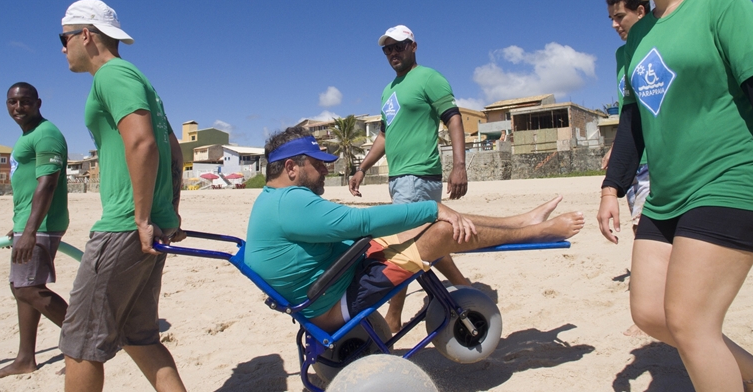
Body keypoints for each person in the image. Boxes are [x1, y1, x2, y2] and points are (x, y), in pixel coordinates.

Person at [597, 0, 753, 391]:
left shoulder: (721, 4)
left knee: (691, 322)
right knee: (652, 314)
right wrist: (613, 188)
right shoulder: (637, 41)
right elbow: (633, 123)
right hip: (668, 194)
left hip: (732, 180)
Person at [245, 127, 585, 332]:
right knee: (439, 231)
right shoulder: (289, 202)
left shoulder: (273, 199)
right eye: (317, 164)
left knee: (425, 225)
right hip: (331, 303)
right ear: (291, 167)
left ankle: (520, 221)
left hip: (335, 281)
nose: (324, 170)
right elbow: (358, 222)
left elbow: (343, 232)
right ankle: (534, 232)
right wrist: (434, 206)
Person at [57, 0, 187, 392]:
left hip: (124, 226)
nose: (62, 48)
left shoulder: (111, 75)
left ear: (86, 34)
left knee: (79, 343)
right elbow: (174, 153)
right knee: (138, 336)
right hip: (148, 226)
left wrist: (143, 217)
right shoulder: (141, 80)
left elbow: (144, 144)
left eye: (63, 38)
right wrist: (168, 215)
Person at [348, 25, 471, 332]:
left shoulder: (428, 77)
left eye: (399, 46)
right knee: (424, 241)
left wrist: (459, 165)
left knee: (403, 248)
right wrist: (362, 168)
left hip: (418, 175)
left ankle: (394, 315)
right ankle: (464, 289)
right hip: (400, 178)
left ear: (413, 46)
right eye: (387, 49)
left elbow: (453, 118)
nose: (393, 53)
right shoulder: (388, 90)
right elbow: (384, 135)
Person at [0, 82, 70, 381]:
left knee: (28, 289)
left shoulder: (46, 134)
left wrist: (31, 230)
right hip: (29, 223)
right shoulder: (29, 135)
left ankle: (83, 343)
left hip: (42, 225)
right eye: (12, 102)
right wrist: (21, 225)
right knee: (22, 290)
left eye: (25, 102)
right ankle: (25, 358)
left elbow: (48, 183)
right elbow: (29, 184)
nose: (18, 108)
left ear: (38, 103)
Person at [601, 0, 651, 234]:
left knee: (646, 227)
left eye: (619, 16)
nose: (614, 24)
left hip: (655, 158)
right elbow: (629, 111)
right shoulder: (622, 54)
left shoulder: (657, 45)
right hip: (634, 162)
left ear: (641, 11)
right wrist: (617, 147)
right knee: (639, 228)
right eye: (611, 18)